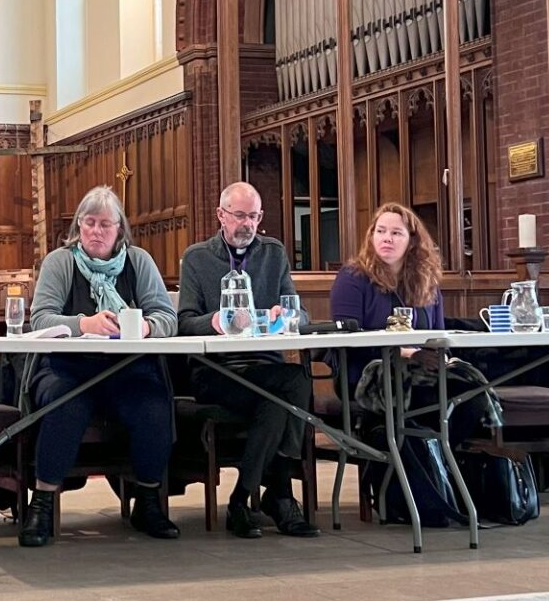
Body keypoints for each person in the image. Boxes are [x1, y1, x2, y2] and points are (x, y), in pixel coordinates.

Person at [17, 185, 181, 547]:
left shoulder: (139, 261)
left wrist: (146, 327)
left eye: (104, 224)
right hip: (67, 368)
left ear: (119, 229)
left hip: (128, 369)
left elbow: (168, 316)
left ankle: (148, 500)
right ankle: (42, 503)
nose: (95, 231)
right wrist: (83, 324)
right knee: (65, 406)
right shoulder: (61, 262)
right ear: (78, 226)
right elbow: (40, 320)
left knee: (154, 407)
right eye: (88, 223)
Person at [176, 182, 321, 538]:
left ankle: (244, 498)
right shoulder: (197, 257)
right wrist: (214, 321)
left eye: (254, 216)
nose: (247, 225)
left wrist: (284, 316)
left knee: (292, 385)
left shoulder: (274, 253)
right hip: (217, 370)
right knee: (282, 394)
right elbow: (182, 323)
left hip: (264, 363)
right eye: (240, 216)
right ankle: (279, 495)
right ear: (221, 216)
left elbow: (300, 314)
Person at [329, 203, 484, 445]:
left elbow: (437, 335)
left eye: (396, 233)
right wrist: (404, 353)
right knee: (425, 400)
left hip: (422, 370)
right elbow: (346, 340)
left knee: (472, 394)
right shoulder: (353, 278)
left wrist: (435, 356)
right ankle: (424, 467)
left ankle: (444, 463)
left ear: (412, 241)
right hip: (367, 371)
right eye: (380, 231)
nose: (386, 239)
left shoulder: (426, 281)